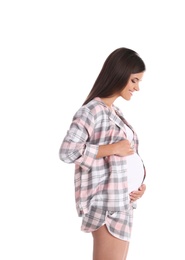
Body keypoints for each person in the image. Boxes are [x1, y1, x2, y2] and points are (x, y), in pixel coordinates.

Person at [59, 47, 147, 260]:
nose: (137, 88)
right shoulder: (91, 111)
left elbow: (126, 159)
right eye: (134, 81)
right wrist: (112, 148)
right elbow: (67, 152)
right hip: (107, 206)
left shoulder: (115, 112)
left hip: (123, 203)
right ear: (120, 74)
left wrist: (138, 186)